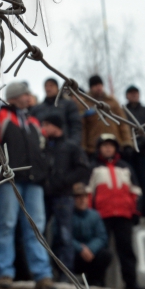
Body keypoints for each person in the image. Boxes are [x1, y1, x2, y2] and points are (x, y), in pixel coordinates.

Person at [0, 81, 56, 289]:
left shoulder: (34, 121)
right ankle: (5, 272)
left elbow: (43, 148)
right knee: (7, 224)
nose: (29, 97)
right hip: (9, 180)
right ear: (14, 97)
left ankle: (43, 275)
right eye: (25, 94)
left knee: (36, 228)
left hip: (34, 181)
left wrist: (44, 170)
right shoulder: (0, 116)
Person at [87, 134, 145, 289]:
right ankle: (98, 281)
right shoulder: (93, 167)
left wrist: (136, 211)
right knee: (101, 249)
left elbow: (136, 191)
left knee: (126, 250)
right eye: (104, 145)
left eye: (111, 145)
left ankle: (131, 283)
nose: (107, 148)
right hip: (101, 216)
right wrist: (90, 214)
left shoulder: (126, 167)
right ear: (99, 148)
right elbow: (88, 193)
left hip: (124, 215)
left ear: (115, 149)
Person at [41, 114, 91, 278]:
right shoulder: (45, 146)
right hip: (45, 195)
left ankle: (66, 273)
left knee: (64, 235)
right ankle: (44, 272)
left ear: (56, 126)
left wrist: (64, 181)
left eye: (47, 124)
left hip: (64, 196)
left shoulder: (71, 146)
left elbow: (83, 168)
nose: (44, 128)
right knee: (39, 232)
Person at [55, 188, 112, 287]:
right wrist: (80, 248)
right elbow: (62, 236)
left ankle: (96, 281)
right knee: (61, 250)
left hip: (90, 254)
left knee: (105, 254)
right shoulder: (66, 215)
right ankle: (65, 277)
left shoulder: (95, 215)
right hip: (73, 254)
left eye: (85, 196)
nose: (82, 200)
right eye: (78, 197)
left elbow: (102, 237)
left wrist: (90, 248)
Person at [124, 85, 145, 216]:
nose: (133, 95)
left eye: (135, 93)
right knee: (133, 183)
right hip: (129, 155)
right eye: (130, 93)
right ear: (127, 96)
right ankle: (136, 212)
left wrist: (143, 141)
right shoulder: (123, 112)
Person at [81, 76, 133, 159]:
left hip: (115, 145)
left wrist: (127, 143)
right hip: (93, 148)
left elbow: (123, 123)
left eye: (100, 85)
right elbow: (82, 127)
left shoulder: (112, 102)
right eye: (95, 85)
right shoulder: (84, 104)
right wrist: (83, 147)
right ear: (91, 87)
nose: (98, 87)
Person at [31, 77, 82, 144]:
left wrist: (73, 143)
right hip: (44, 147)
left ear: (57, 87)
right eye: (46, 86)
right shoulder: (37, 108)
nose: (48, 89)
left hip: (65, 144)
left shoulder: (68, 105)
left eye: (51, 85)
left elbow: (76, 125)